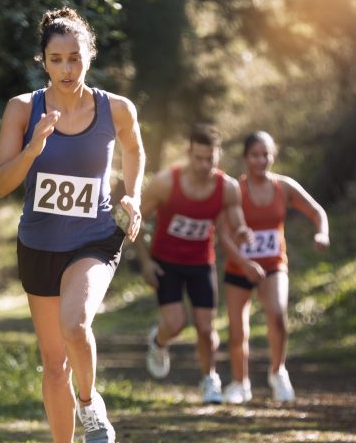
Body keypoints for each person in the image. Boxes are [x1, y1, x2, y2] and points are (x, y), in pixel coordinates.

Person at [0, 7, 144, 443]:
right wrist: (33, 148)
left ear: (89, 57)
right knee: (53, 363)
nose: (66, 68)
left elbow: (135, 151)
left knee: (77, 324)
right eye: (56, 59)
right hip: (38, 244)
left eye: (75, 58)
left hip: (94, 238)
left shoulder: (115, 108)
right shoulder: (22, 109)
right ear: (43, 61)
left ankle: (90, 402)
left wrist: (132, 195)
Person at [134, 124, 253, 404]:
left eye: (209, 159)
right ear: (189, 153)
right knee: (175, 324)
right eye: (198, 158)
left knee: (205, 327)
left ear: (218, 155)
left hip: (201, 262)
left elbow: (237, 223)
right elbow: (135, 220)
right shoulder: (166, 182)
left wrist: (243, 232)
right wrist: (145, 262)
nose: (203, 165)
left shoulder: (228, 187)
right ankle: (158, 342)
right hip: (166, 262)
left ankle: (209, 379)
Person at [219, 131, 329, 404]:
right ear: (245, 158)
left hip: (273, 264)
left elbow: (317, 211)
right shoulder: (234, 189)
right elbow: (221, 234)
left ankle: (278, 372)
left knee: (278, 316)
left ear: (273, 155)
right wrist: (244, 263)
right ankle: (239, 383)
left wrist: (322, 233)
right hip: (238, 267)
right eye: (255, 155)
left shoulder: (284, 186)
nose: (261, 160)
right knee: (237, 330)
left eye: (266, 154)